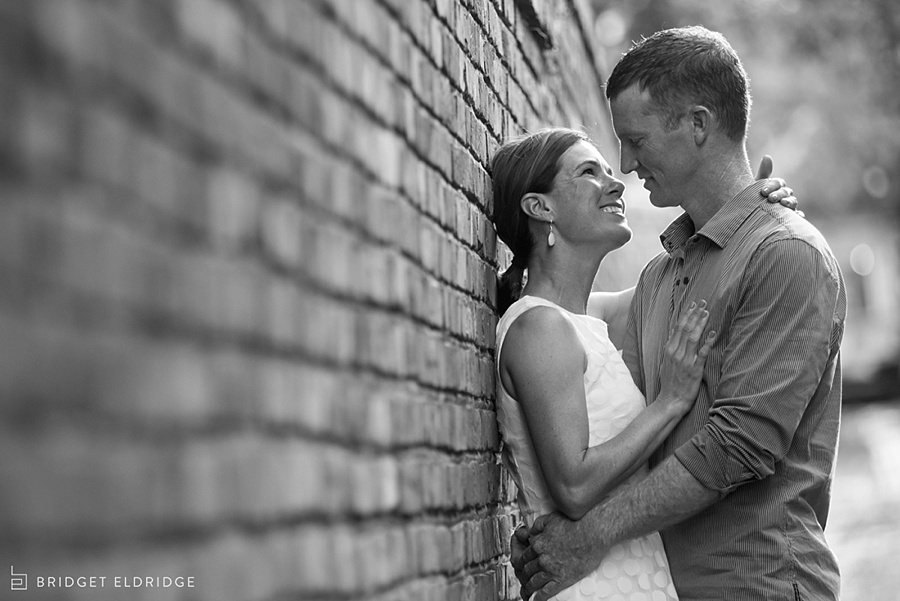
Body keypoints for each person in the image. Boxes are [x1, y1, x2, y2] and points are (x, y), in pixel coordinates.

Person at [512, 27, 846, 601]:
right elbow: (564, 327)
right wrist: (553, 532)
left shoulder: (785, 254)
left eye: (635, 139)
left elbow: (736, 447)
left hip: (757, 586)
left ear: (697, 125)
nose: (625, 162)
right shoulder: (660, 278)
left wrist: (589, 537)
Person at [492, 126, 797, 601]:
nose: (615, 183)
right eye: (589, 172)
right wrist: (671, 402)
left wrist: (753, 213)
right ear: (541, 207)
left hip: (635, 579)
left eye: (610, 171)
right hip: (592, 584)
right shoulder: (539, 330)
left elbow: (708, 278)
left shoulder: (587, 318)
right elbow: (572, 485)